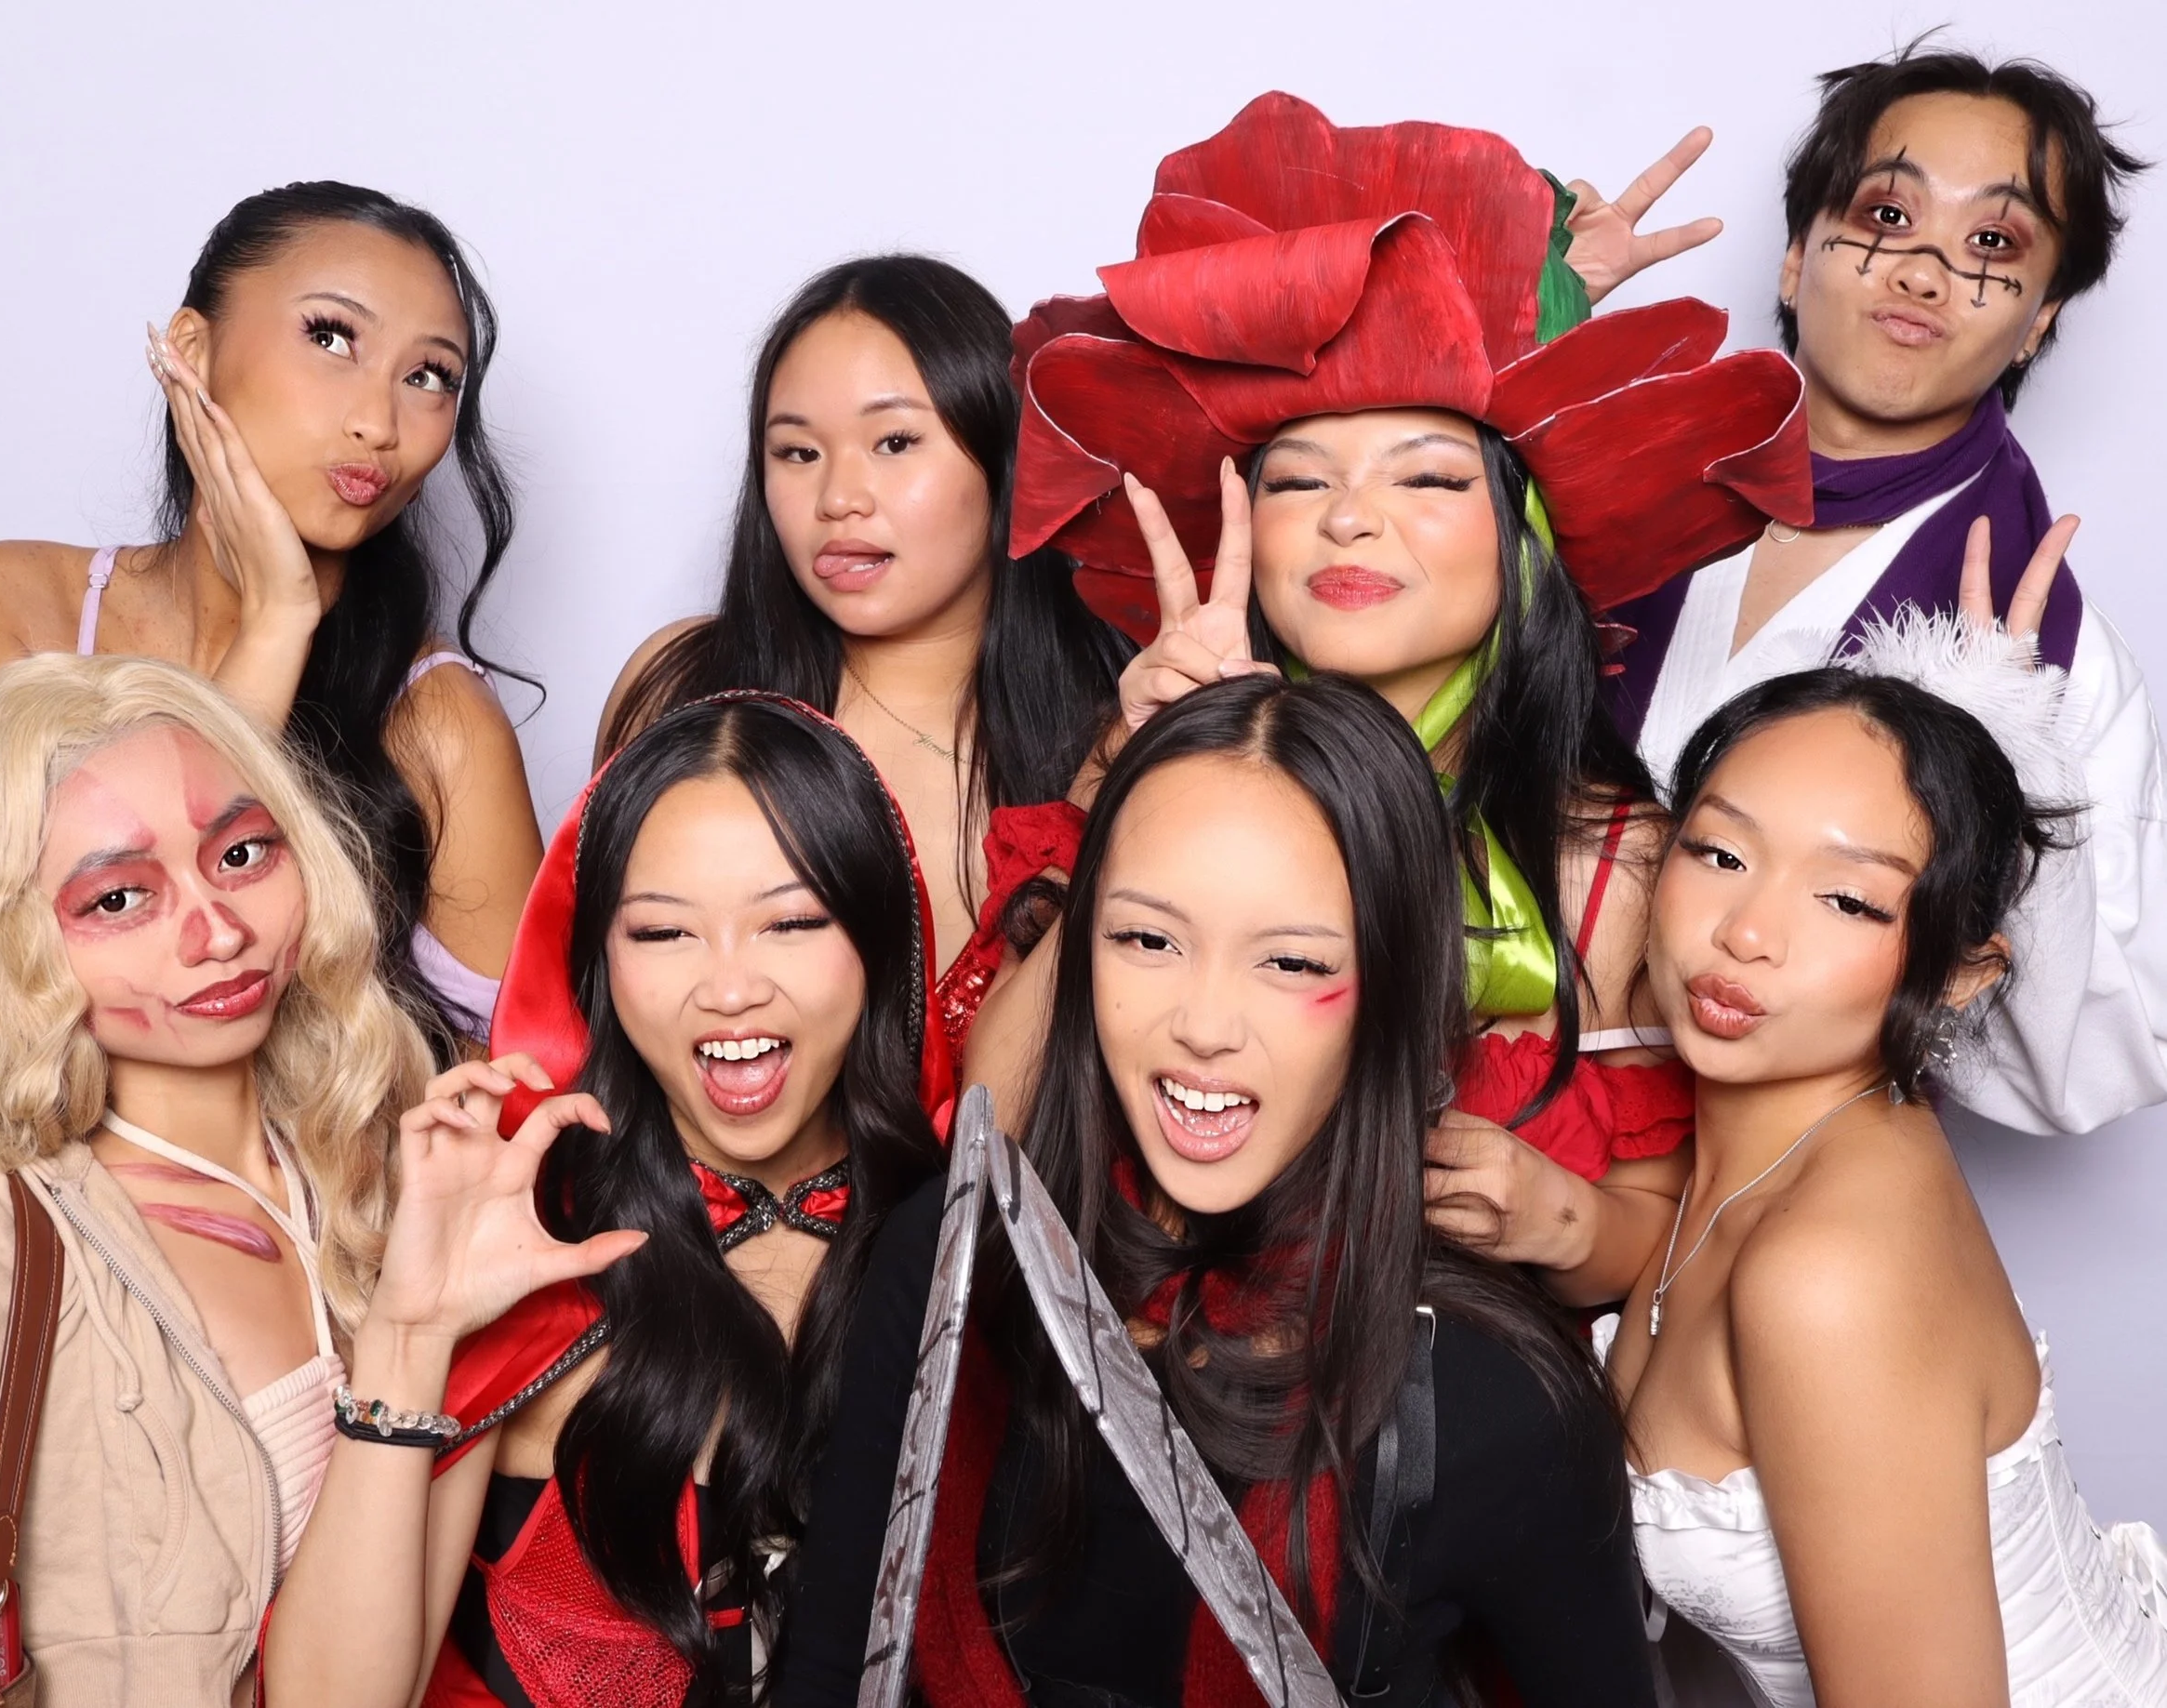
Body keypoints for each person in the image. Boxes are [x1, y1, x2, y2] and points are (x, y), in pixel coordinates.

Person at [987, 92, 1811, 1302]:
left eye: (1425, 476)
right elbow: (991, 1144)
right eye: (1299, 479)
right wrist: (1147, 780)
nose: (1348, 516)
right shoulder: (1146, 770)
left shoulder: (1612, 870)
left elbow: (1693, 1255)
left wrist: (1562, 1217)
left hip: (1466, 1439)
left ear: (1525, 541)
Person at [780, 672, 1655, 1707]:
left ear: (1391, 985)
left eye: (1288, 961)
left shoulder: (1492, 1399)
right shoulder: (953, 1261)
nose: (1204, 1021)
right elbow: (831, 1668)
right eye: (1146, 939)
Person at [261, 694, 951, 1708]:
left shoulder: (959, 1248)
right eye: (665, 931)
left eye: (792, 920)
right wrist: (411, 1331)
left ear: (881, 939)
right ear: (597, 963)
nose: (727, 987)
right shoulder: (533, 1242)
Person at [0, 652, 430, 1705]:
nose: (218, 931)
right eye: (119, 896)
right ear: (8, 938)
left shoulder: (384, 1155)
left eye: (243, 852)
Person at [1601, 43, 2164, 1134]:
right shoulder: (1604, 499)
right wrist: (1520, 332)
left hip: (1772, 1200)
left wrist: (2009, 765)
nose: (1923, 273)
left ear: (2037, 319)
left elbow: (2100, 1061)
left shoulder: (2039, 643)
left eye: (1993, 242)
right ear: (1792, 255)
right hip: (1467, 1155)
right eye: (1887, 218)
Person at [1600, 644, 2167, 1705]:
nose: (1746, 933)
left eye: (1849, 901)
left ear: (1958, 971)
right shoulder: (1783, 1154)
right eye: (1720, 853)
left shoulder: (1829, 1266)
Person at [0, 181, 544, 1053]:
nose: (378, 422)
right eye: (331, 338)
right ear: (190, 348)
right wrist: (277, 622)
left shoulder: (441, 724)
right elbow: (84, 923)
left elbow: (517, 1081)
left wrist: (282, 620)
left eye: (428, 376)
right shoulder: (9, 606)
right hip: (38, 1173)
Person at [595, 256, 1134, 1076]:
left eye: (894, 441)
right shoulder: (684, 688)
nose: (839, 497)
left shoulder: (1115, 721)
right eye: (797, 452)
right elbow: (594, 1027)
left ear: (1003, 453)